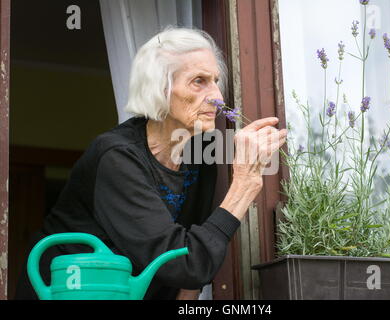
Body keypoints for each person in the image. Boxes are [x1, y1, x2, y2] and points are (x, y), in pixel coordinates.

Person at [15, 26, 287, 300]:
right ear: (160, 89)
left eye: (216, 80)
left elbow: (193, 254)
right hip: (72, 291)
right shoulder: (117, 157)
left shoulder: (201, 150)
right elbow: (183, 265)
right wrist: (243, 187)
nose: (217, 96)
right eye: (199, 81)